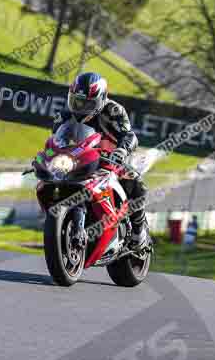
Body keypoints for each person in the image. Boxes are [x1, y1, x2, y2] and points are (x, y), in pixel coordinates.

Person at [52, 72, 150, 250]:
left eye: (87, 103)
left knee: (135, 182)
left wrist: (121, 150)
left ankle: (138, 230)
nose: (80, 107)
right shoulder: (65, 114)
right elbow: (56, 140)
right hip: (80, 159)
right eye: (76, 101)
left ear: (101, 99)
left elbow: (129, 135)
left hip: (112, 159)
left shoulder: (113, 111)